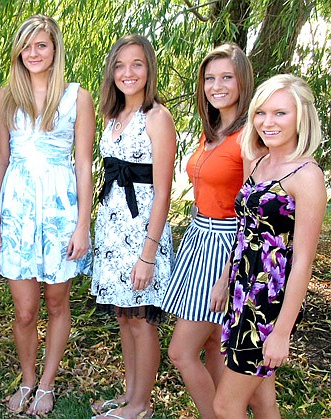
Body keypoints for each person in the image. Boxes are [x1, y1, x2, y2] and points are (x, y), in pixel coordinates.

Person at [0, 14, 95, 416]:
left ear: (54, 49)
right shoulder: (6, 96)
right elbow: (2, 158)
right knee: (24, 309)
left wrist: (82, 223)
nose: (34, 53)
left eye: (42, 45)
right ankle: (27, 379)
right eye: (27, 45)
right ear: (18, 51)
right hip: (17, 207)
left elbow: (84, 163)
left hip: (60, 209)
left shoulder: (76, 96)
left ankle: (48, 384)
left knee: (56, 302)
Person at [213, 74, 326, 418]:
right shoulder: (261, 161)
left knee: (225, 405)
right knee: (263, 401)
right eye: (261, 113)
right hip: (241, 293)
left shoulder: (307, 176)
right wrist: (224, 279)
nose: (267, 122)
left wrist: (280, 332)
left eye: (280, 113)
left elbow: (304, 261)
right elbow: (245, 230)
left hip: (268, 307)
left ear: (301, 117)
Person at [159, 44, 254, 419]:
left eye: (226, 77)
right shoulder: (211, 131)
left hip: (226, 243)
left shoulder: (248, 138)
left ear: (243, 82)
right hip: (199, 236)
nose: (217, 85)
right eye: (210, 78)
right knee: (213, 343)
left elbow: (251, 212)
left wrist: (228, 276)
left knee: (181, 353)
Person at [90, 35, 176, 419]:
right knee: (125, 315)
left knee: (141, 319)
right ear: (112, 71)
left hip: (142, 233)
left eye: (137, 64)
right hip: (113, 230)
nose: (128, 72)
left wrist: (148, 254)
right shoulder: (112, 117)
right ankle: (128, 394)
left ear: (149, 69)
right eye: (120, 65)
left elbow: (162, 193)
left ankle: (142, 404)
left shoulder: (157, 117)